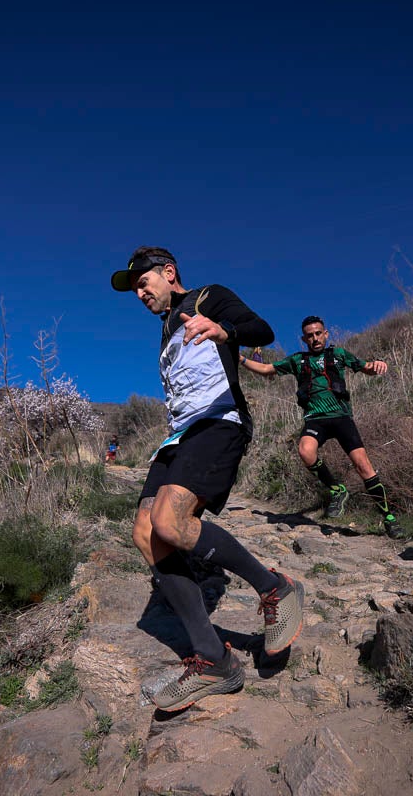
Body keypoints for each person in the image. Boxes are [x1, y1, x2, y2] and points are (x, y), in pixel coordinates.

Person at [111, 246, 304, 711]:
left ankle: (274, 586)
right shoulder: (164, 331)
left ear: (168, 273)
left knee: (171, 524)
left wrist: (226, 330)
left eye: (143, 283)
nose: (139, 293)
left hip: (219, 424)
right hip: (178, 436)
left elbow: (263, 330)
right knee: (146, 533)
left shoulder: (206, 297)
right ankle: (215, 659)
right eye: (134, 289)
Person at [240, 315, 400, 537]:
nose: (314, 338)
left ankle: (389, 518)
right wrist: (240, 359)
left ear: (325, 334)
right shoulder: (297, 361)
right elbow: (267, 369)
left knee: (363, 466)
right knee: (305, 451)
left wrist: (378, 364)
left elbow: (367, 367)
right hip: (315, 419)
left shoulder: (339, 355)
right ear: (304, 339)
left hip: (342, 417)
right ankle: (337, 490)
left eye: (318, 334)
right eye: (310, 335)